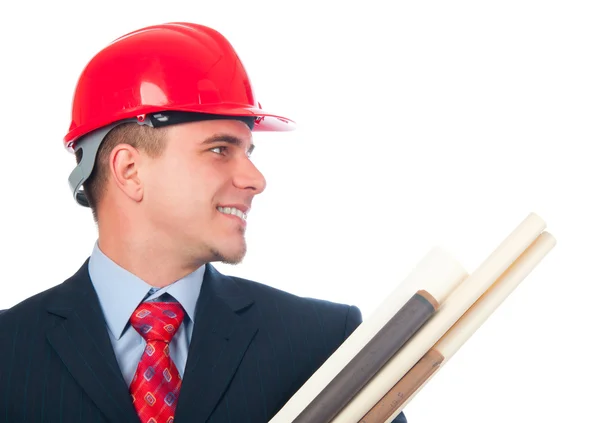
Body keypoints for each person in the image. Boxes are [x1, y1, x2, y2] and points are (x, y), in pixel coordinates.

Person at [0, 22, 408, 423]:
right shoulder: (8, 353)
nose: (255, 179)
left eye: (248, 151)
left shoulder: (324, 343)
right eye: (219, 149)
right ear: (129, 170)